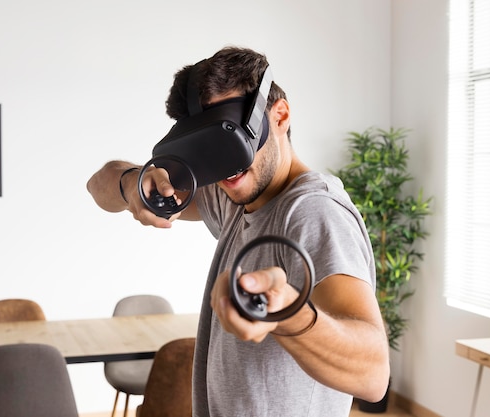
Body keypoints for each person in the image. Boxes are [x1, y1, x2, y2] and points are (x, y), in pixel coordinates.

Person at [87, 46, 390, 417]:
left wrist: (288, 315)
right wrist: (132, 183)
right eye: (207, 146)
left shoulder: (313, 211)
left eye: (230, 138)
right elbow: (97, 185)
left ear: (279, 116)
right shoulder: (233, 196)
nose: (226, 167)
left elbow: (374, 375)